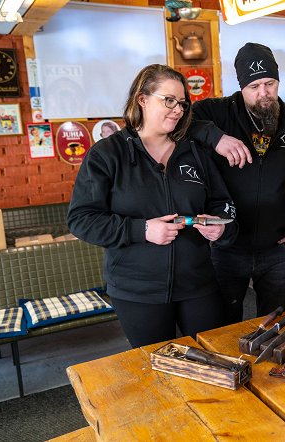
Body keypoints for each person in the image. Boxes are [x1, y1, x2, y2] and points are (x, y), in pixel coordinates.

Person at [67, 64, 237, 348]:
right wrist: (142, 230)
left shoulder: (195, 152)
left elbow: (224, 204)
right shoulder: (108, 154)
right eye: (168, 100)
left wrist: (220, 226)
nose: (178, 109)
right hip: (137, 290)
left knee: (212, 360)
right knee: (157, 369)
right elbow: (81, 219)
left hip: (198, 283)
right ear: (142, 99)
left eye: (182, 103)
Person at [189, 42, 285, 323]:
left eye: (269, 83)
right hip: (226, 246)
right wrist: (216, 138)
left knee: (276, 327)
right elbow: (179, 122)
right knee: (221, 326)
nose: (263, 94)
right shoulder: (217, 114)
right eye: (254, 87)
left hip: (279, 249)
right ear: (241, 87)